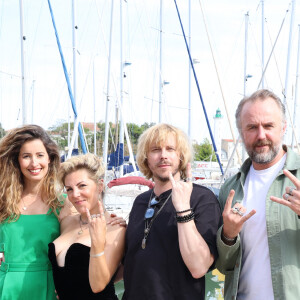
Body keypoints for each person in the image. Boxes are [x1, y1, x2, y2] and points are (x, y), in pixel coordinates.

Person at [216, 89, 300, 299]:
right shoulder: (230, 188)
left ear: (283, 127)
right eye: (252, 127)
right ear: (242, 133)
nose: (261, 135)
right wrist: (228, 236)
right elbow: (221, 266)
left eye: (268, 125)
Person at [122, 123, 222, 300]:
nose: (163, 156)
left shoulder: (201, 198)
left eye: (170, 149)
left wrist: (183, 209)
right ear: (146, 158)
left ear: (181, 156)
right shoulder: (140, 201)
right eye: (155, 150)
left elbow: (199, 267)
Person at [48, 153, 126, 299]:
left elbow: (99, 285)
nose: (75, 194)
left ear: (100, 186)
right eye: (69, 189)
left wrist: (96, 242)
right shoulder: (66, 222)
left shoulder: (115, 228)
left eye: (82, 186)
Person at [0, 124, 64, 299]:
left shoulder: (63, 203)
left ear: (49, 158)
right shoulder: (3, 201)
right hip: (6, 287)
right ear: (17, 160)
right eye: (26, 156)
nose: (34, 163)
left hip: (49, 287)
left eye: (40, 155)